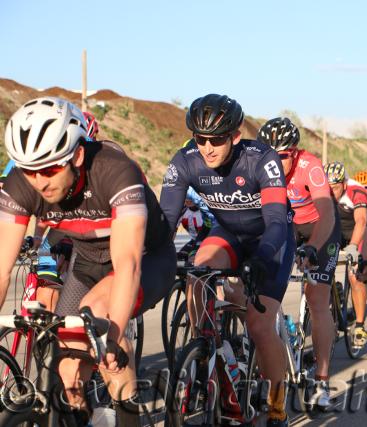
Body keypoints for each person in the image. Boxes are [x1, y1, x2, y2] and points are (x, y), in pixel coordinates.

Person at [0, 97, 176, 425]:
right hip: (89, 262)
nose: (39, 181)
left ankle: (128, 420)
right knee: (67, 372)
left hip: (147, 259)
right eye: (28, 170)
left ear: (77, 155)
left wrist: (113, 335)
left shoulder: (116, 172)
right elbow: (1, 267)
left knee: (98, 319)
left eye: (50, 167)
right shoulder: (22, 184)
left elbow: (127, 265)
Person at [160, 95, 294, 426]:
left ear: (235, 135)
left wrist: (262, 257)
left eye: (216, 139)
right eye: (199, 138)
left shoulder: (261, 158)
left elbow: (277, 219)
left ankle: (277, 406)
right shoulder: (185, 161)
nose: (207, 147)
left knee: (259, 326)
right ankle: (207, 348)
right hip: (229, 233)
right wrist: (157, 255)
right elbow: (166, 219)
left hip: (270, 240)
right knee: (198, 269)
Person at [257, 117, 341, 410]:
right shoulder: (260, 166)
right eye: (270, 156)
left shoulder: (310, 166)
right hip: (288, 228)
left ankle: (321, 380)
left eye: (282, 156)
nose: (276, 164)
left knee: (317, 298)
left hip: (320, 228)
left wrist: (312, 249)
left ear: (294, 152)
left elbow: (327, 214)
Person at [324, 161, 367, 349]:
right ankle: (334, 294)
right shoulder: (322, 190)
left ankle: (360, 325)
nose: (331, 192)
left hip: (356, 231)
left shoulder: (356, 191)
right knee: (321, 271)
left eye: (335, 188)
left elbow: (362, 220)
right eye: (328, 188)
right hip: (336, 230)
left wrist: (354, 246)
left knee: (355, 277)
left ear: (344, 184)